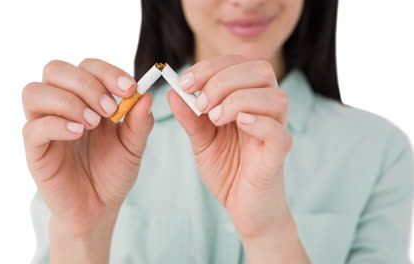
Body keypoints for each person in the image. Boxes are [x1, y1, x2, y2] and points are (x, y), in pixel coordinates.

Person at [21, 0, 414, 263]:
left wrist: (270, 232)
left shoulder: (379, 151)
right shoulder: (88, 137)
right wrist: (81, 233)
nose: (247, 0)